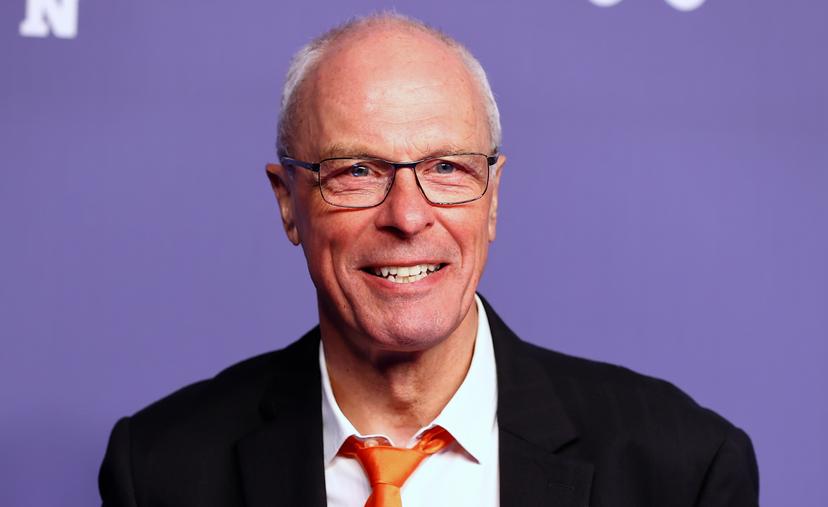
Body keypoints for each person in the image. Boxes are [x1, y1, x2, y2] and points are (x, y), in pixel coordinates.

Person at [99, 12, 759, 507]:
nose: (409, 215)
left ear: (493, 198)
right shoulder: (161, 469)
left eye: (447, 167)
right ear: (287, 202)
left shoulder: (681, 468)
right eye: (357, 170)